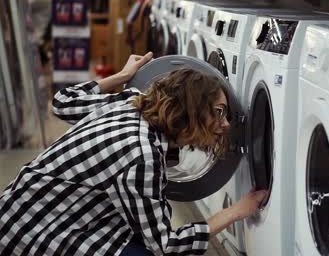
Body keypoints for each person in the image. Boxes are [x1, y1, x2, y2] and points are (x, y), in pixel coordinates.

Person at [0, 52, 267, 255]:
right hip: (30, 236)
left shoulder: (129, 103)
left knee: (137, 230)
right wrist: (235, 211)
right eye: (219, 112)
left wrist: (122, 76)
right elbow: (166, 245)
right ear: (192, 110)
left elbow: (63, 102)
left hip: (14, 210)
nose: (227, 123)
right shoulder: (143, 156)